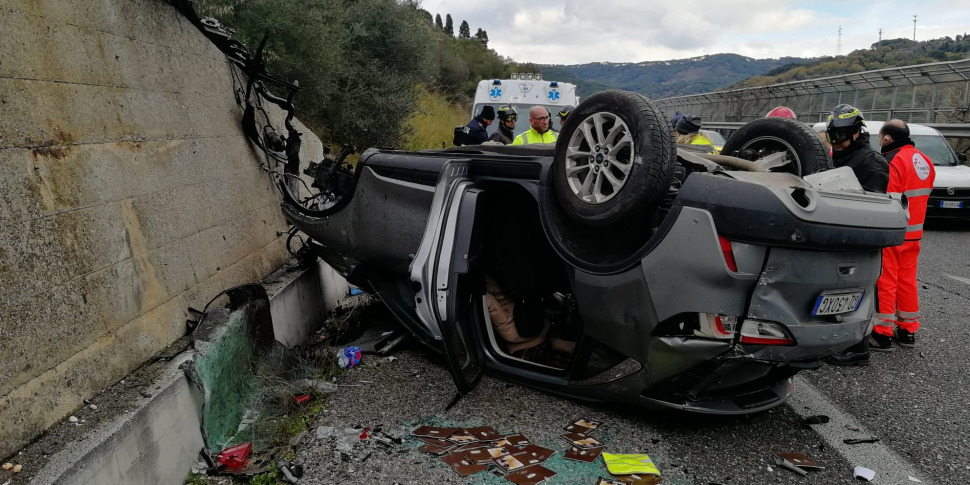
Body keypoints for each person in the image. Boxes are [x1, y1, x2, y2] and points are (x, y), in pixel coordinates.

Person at [870, 120, 936, 350]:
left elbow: (888, 199)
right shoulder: (924, 160)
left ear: (887, 138)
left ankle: (882, 333)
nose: (880, 142)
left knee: (885, 281)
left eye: (880, 138)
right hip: (914, 234)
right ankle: (908, 330)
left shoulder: (893, 161)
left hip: (895, 233)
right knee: (907, 281)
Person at [826, 104, 888, 193]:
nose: (835, 142)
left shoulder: (873, 162)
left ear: (856, 133)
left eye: (840, 136)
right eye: (831, 137)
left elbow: (875, 201)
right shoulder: (838, 157)